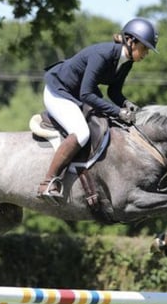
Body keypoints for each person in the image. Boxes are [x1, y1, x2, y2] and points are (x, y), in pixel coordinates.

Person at [36, 17, 158, 202]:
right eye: (145, 47)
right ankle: (47, 182)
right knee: (82, 133)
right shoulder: (103, 54)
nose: (146, 53)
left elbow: (113, 90)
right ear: (131, 41)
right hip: (58, 91)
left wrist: (125, 103)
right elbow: (86, 94)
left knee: (109, 124)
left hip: (77, 94)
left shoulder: (126, 61)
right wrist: (118, 111)